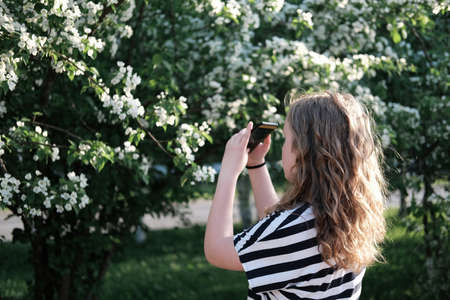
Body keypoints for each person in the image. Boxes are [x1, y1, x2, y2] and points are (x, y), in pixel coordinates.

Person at [204, 91, 387, 299]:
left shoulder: (295, 229)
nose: (282, 148)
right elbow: (275, 230)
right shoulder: (345, 216)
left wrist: (228, 172)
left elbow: (217, 250)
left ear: (304, 151)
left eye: (285, 139)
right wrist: (256, 165)